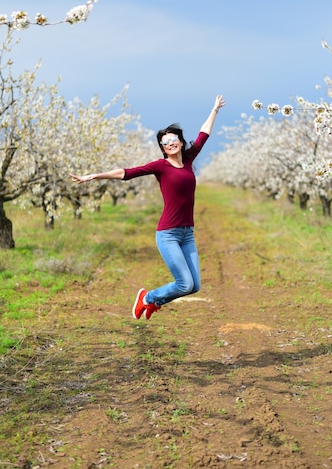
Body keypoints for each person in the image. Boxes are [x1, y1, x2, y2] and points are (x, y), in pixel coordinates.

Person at [70, 94, 225, 320]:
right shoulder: (160, 167)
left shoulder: (189, 160)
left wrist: (214, 110)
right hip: (168, 234)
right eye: (165, 142)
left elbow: (203, 135)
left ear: (180, 142)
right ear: (162, 148)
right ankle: (148, 297)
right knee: (184, 283)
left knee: (195, 286)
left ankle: (154, 301)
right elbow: (126, 173)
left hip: (187, 234)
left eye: (173, 139)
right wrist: (94, 176)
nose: (170, 144)